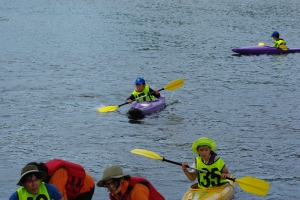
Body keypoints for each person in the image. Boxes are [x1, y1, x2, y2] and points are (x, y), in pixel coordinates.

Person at [27, 159, 95, 200]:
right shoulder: (46, 173)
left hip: (86, 187)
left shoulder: (56, 179)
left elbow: (62, 198)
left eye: (34, 179)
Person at [97, 165, 165, 200]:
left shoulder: (137, 190)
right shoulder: (115, 194)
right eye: (107, 184)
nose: (111, 186)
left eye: (113, 182)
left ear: (122, 180)